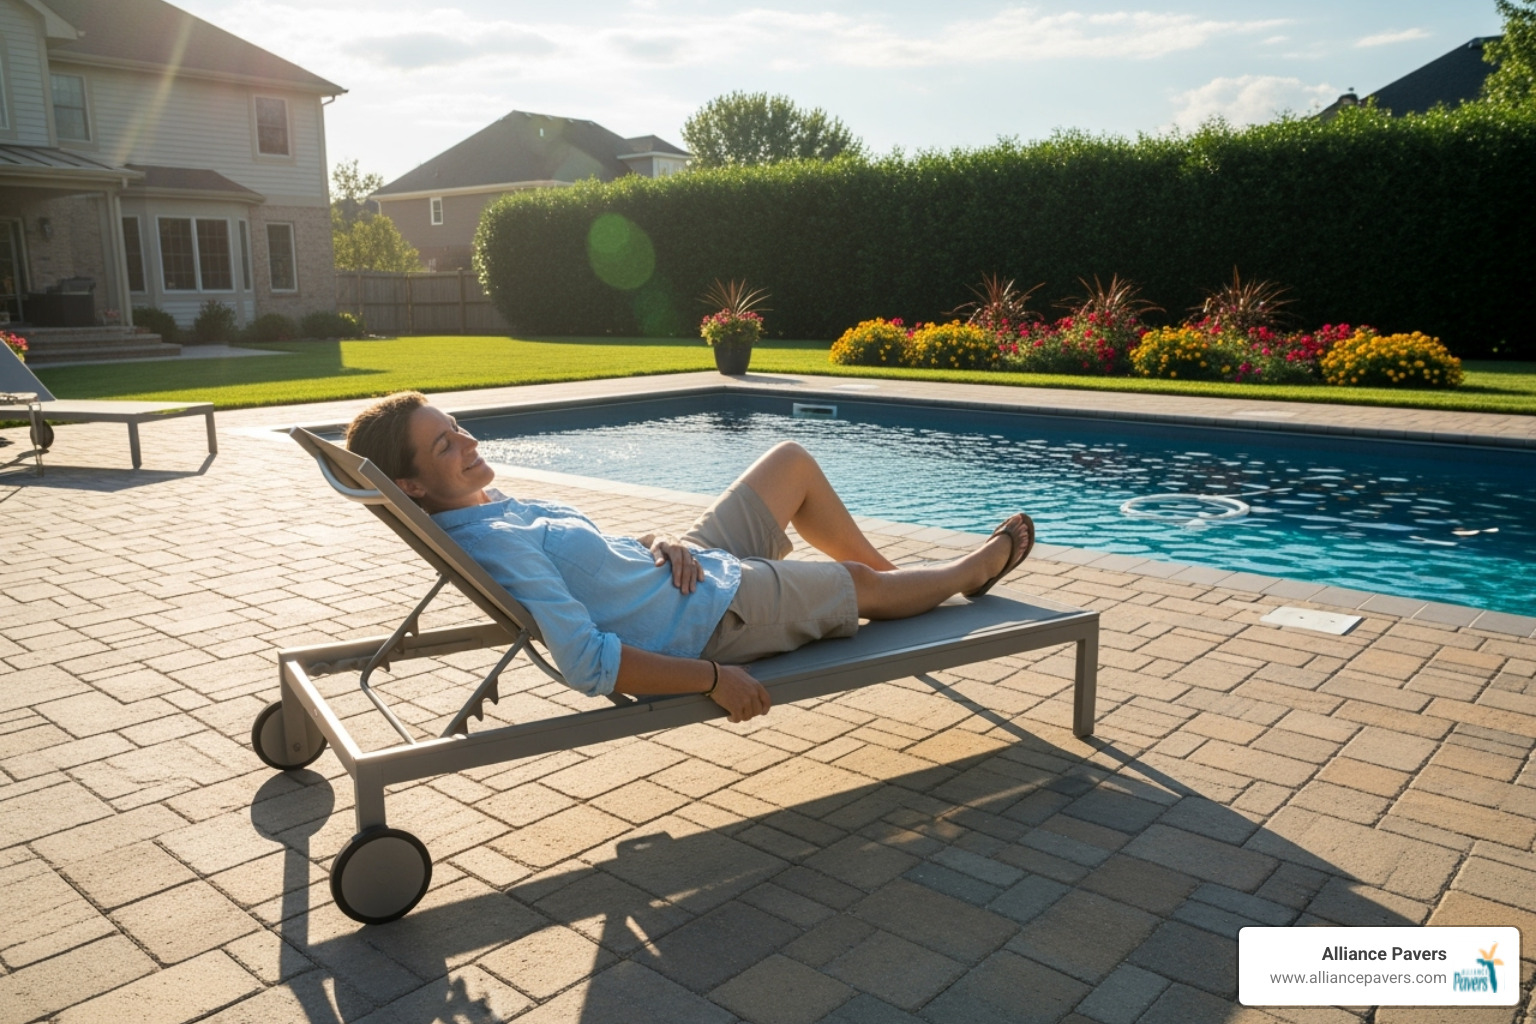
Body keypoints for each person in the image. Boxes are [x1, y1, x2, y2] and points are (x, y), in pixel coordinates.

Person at [346, 392, 1034, 724]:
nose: (468, 442)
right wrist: (712, 678)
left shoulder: (487, 502)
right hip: (709, 619)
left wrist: (657, 540)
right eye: (445, 446)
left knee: (789, 462)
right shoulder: (495, 541)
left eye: (456, 427)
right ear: (412, 486)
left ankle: (895, 586)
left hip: (680, 567)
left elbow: (594, 564)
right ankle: (969, 572)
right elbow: (586, 662)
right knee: (852, 583)